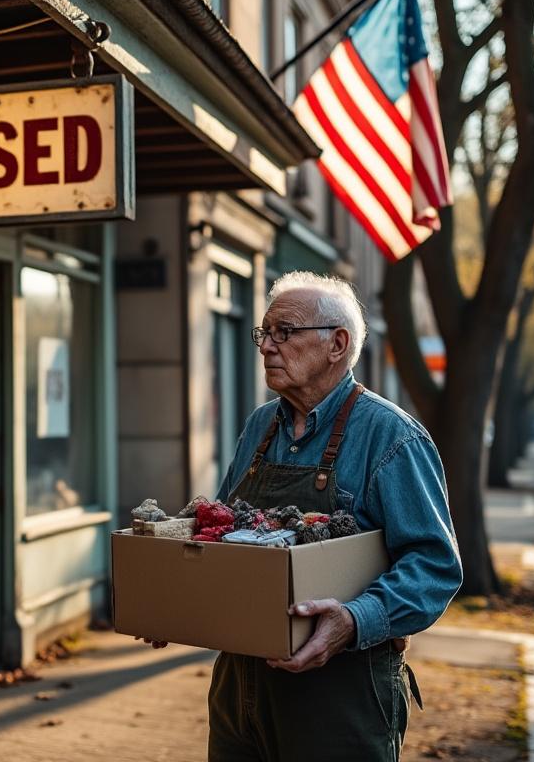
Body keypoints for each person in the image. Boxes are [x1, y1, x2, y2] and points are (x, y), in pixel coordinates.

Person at [146, 271, 463, 761]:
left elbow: (435, 566)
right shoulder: (259, 426)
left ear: (337, 344)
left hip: (339, 695)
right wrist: (174, 596)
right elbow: (225, 534)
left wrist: (354, 621)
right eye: (264, 333)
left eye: (285, 332)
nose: (268, 346)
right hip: (239, 688)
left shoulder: (391, 437)